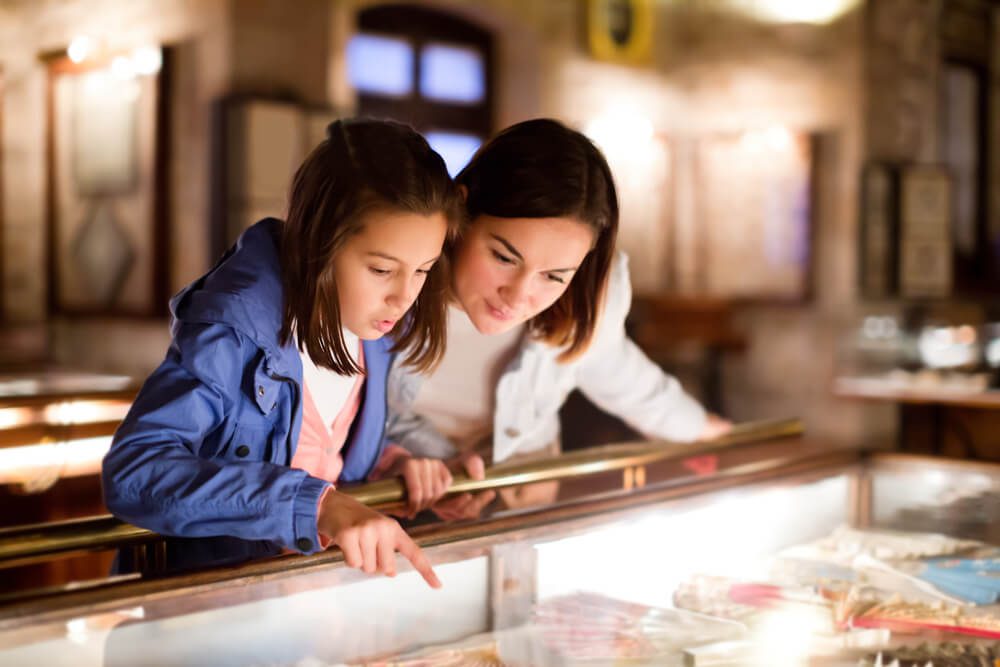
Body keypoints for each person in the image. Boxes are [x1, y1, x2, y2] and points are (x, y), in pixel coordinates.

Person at [102, 119, 463, 586]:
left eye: (423, 271)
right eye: (381, 269)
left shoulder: (377, 332)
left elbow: (323, 453)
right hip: (208, 611)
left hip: (305, 604)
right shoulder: (234, 332)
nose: (404, 297)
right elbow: (136, 472)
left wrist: (395, 465)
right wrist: (314, 506)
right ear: (320, 242)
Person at [385, 118, 731, 518]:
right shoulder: (395, 275)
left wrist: (703, 430)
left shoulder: (587, 297)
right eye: (503, 257)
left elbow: (619, 373)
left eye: (554, 276)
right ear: (461, 209)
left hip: (520, 498)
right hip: (398, 493)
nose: (518, 295)